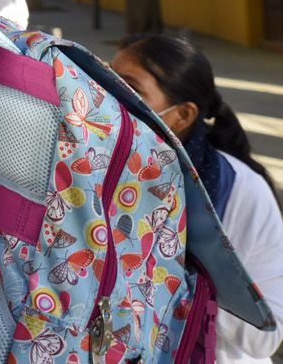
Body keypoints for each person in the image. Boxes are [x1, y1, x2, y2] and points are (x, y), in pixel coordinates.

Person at [111, 34, 283, 364]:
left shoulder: (240, 190)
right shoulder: (95, 167)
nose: (103, 96)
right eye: (103, 79)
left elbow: (265, 336)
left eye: (129, 88)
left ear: (182, 115)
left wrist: (166, 281)